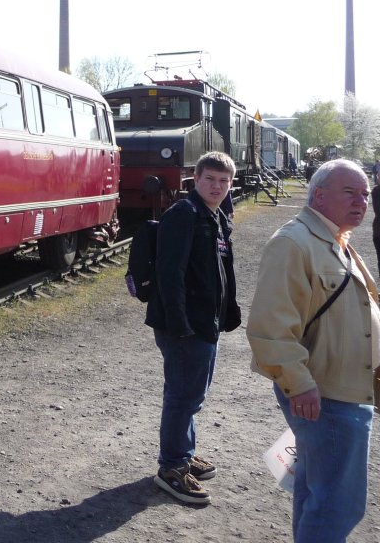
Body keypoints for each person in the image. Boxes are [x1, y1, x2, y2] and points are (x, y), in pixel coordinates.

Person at [246, 159, 378, 543]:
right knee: (340, 502)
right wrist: (298, 383)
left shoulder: (334, 240)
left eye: (366, 194)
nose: (362, 201)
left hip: (342, 387)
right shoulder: (293, 242)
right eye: (350, 192)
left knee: (316, 490)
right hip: (326, 393)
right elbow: (270, 327)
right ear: (319, 194)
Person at [146, 151, 242, 505]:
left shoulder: (213, 216)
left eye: (224, 181)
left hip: (205, 321)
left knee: (190, 395)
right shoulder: (183, 216)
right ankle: (171, 468)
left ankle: (182, 453)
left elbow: (219, 270)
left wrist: (228, 311)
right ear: (196, 180)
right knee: (183, 397)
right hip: (185, 324)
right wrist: (179, 324)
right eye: (210, 179)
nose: (217, 186)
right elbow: (169, 274)